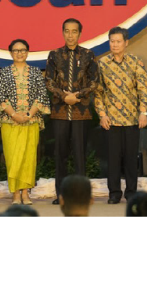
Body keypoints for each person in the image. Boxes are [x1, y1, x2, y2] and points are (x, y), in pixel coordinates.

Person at [45, 18, 98, 205]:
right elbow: (49, 81)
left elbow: (94, 81)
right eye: (67, 31)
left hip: (80, 112)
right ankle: (61, 194)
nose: (70, 35)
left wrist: (77, 95)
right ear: (62, 32)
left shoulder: (88, 55)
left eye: (74, 31)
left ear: (80, 33)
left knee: (80, 155)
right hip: (60, 111)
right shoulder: (54, 55)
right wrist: (63, 96)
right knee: (60, 154)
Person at [94, 26, 147, 204]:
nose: (115, 44)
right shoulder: (102, 64)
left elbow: (143, 89)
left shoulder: (135, 62)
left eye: (118, 41)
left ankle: (131, 192)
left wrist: (143, 112)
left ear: (126, 42)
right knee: (113, 158)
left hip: (133, 119)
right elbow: (98, 93)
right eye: (112, 41)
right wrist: (102, 115)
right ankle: (114, 193)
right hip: (111, 120)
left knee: (131, 158)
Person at [0, 39, 49, 205]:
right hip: (10, 122)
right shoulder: (4, 73)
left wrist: (29, 114)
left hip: (31, 122)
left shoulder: (36, 72)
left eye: (23, 50)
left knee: (28, 158)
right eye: (16, 50)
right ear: (10, 53)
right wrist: (14, 115)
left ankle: (25, 193)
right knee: (13, 157)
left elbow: (41, 96)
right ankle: (15, 194)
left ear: (27, 52)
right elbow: (0, 97)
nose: (19, 53)